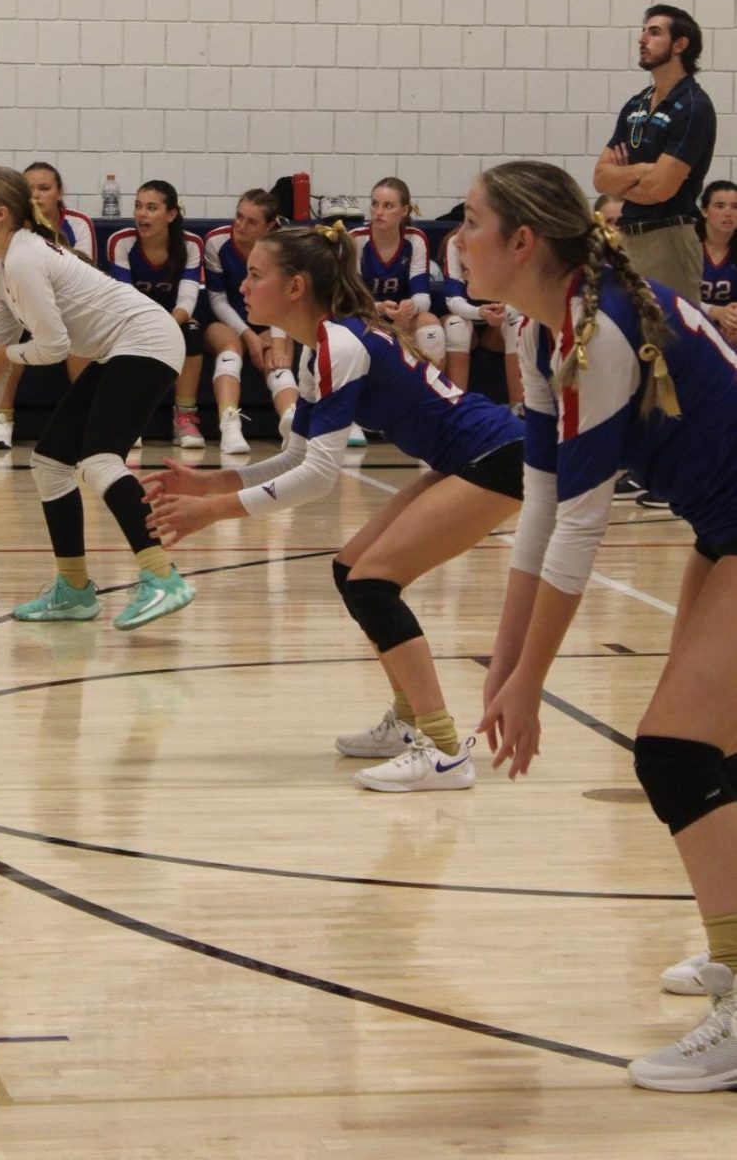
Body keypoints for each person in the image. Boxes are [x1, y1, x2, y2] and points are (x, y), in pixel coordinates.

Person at [459, 160, 737, 1093]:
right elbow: (538, 508)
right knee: (709, 746)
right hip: (724, 525)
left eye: (471, 222)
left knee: (675, 750)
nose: (457, 238)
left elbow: (583, 527)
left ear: (523, 242)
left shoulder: (598, 330)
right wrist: (503, 672)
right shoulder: (549, 334)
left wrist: (533, 685)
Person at [144, 222, 524, 793]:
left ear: (295, 287)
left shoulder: (340, 343)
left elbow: (319, 479)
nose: (242, 288)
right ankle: (408, 721)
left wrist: (214, 513)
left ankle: (444, 749)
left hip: (497, 455)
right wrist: (211, 484)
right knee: (352, 571)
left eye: (254, 275)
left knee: (375, 582)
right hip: (470, 456)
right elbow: (299, 455)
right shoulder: (317, 346)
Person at [0, 165, 195, 630]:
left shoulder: (24, 260)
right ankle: (75, 590)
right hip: (118, 348)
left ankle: (163, 577)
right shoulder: (2, 265)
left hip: (147, 339)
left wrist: (9, 352)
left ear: (1, 214)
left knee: (99, 459)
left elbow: (54, 347)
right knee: (49, 462)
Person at [594, 4, 716, 505]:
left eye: (654, 32)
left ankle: (682, 467)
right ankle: (645, 460)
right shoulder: (637, 103)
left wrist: (631, 177)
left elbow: (666, 186)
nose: (642, 39)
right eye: (643, 30)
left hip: (669, 235)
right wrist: (630, 181)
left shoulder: (694, 104)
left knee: (671, 349)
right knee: (630, 347)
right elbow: (601, 179)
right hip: (628, 239)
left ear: (681, 43)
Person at [0, 162, 97, 450]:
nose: (35, 195)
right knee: (8, 340)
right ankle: (1, 418)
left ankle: (94, 419)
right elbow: (4, 278)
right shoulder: (4, 226)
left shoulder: (78, 223)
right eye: (28, 189)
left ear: (60, 193)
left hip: (69, 304)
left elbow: (86, 268)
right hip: (23, 306)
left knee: (80, 338)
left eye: (44, 188)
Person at [107, 181, 206, 449]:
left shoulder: (191, 244)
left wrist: (167, 325)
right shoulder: (121, 242)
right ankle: (130, 417)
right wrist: (151, 325)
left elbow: (188, 298)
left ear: (171, 214)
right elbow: (125, 298)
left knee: (192, 331)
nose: (141, 214)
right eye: (138, 206)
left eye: (151, 208)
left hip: (174, 319)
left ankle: (184, 416)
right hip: (132, 318)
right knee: (124, 334)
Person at [349, 178, 447, 445]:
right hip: (364, 312)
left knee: (430, 325)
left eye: (388, 205)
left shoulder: (416, 239)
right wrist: (377, 308)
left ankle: (433, 409)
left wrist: (409, 307)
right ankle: (352, 417)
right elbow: (349, 297)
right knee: (352, 328)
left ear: (404, 211)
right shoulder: (355, 240)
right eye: (375, 204)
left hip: (401, 314)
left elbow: (422, 296)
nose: (378, 212)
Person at [204, 189, 299, 454]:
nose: (241, 225)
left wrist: (278, 344)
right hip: (227, 321)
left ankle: (292, 422)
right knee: (231, 350)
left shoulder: (281, 249)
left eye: (251, 221)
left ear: (269, 226)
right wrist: (249, 336)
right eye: (239, 217)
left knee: (276, 357)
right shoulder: (217, 242)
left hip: (271, 319)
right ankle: (229, 424)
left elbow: (284, 301)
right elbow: (218, 301)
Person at [440, 225, 523, 410]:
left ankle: (520, 411)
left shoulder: (514, 240)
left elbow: (524, 295)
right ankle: (456, 413)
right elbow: (453, 300)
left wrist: (505, 311)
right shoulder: (456, 242)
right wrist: (479, 312)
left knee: (518, 324)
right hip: (467, 318)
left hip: (496, 328)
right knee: (456, 326)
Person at [697, 179, 737, 346]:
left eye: (735, 207)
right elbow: (677, 296)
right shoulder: (689, 248)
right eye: (720, 206)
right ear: (705, 211)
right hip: (692, 327)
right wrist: (715, 311)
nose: (728, 213)